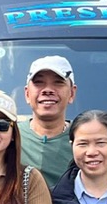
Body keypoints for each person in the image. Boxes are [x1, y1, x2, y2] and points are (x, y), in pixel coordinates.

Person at [19, 55, 78, 189]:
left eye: (58, 83)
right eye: (39, 83)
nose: (47, 90)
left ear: (72, 93)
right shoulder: (9, 137)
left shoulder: (85, 139)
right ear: (27, 94)